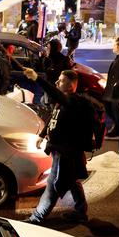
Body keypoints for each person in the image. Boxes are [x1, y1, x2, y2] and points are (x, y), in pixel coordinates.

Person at [23, 68, 89, 224]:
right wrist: (42, 134)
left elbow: (54, 93)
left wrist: (37, 78)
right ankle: (81, 212)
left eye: (61, 80)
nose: (57, 82)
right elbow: (54, 118)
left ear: (71, 85)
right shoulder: (63, 101)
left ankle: (37, 217)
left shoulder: (73, 102)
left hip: (65, 153)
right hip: (62, 151)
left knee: (52, 186)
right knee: (73, 181)